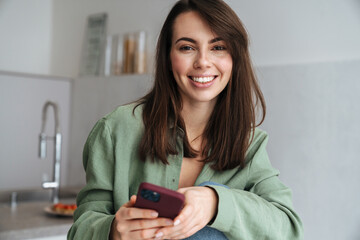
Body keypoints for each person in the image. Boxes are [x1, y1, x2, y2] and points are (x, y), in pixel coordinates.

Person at [68, 0, 303, 239]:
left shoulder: (249, 144)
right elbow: (80, 229)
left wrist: (214, 203)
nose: (203, 61)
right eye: (187, 48)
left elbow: (289, 229)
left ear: (235, 58)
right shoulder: (115, 130)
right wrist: (112, 232)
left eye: (218, 47)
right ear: (168, 57)